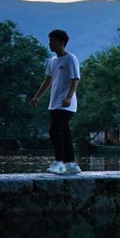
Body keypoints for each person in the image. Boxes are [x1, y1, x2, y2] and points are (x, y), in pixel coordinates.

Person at [30, 29, 81, 175]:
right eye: (49, 41)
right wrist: (37, 96)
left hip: (66, 104)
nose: (50, 44)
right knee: (64, 133)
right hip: (54, 103)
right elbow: (48, 80)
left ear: (61, 42)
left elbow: (75, 79)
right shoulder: (52, 61)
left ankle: (59, 162)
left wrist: (69, 97)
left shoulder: (70, 59)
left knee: (54, 131)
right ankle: (71, 164)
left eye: (52, 41)